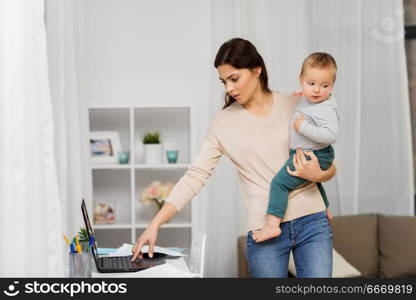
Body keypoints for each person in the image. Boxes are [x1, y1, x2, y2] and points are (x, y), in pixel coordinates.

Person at [131, 37, 336, 278]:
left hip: (312, 220)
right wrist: (155, 223)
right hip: (264, 229)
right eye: (224, 81)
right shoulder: (223, 123)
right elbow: (195, 175)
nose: (229, 88)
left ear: (256, 70)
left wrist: (320, 174)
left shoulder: (295, 105)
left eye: (234, 78)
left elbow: (328, 161)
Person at [252, 52, 339, 243]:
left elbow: (331, 135)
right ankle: (326, 210)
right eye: (311, 84)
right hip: (312, 152)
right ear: (301, 80)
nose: (317, 90)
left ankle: (272, 226)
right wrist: (303, 100)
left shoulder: (326, 108)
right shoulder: (313, 101)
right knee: (312, 181)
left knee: (279, 183)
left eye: (324, 86)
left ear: (332, 86)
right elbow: (310, 104)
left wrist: (304, 127)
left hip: (313, 154)